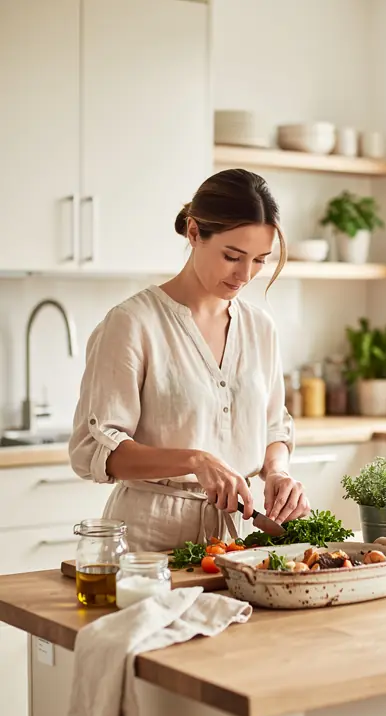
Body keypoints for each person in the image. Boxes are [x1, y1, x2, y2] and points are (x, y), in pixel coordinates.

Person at [69, 168, 310, 550]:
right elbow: (95, 451)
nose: (245, 275)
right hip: (149, 542)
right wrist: (195, 461)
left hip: (238, 539)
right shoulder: (132, 323)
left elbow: (273, 428)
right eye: (232, 256)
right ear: (195, 233)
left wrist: (278, 472)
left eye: (259, 260)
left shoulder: (260, 328)